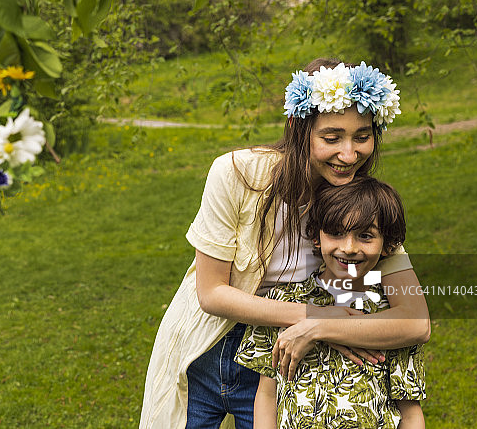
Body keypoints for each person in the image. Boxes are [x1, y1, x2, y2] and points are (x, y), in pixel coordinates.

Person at [139, 58, 430, 429]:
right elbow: (211, 293)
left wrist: (322, 329)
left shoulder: (356, 207)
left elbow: (416, 320)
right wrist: (319, 317)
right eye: (331, 137)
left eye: (362, 136)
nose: (349, 154)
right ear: (298, 127)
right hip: (206, 351)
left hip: (287, 365)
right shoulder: (237, 174)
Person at [235, 176, 426, 429]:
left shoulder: (391, 316)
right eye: (336, 233)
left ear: (388, 245)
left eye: (366, 236)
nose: (348, 247)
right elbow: (267, 395)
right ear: (316, 237)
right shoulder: (282, 301)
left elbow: (410, 413)